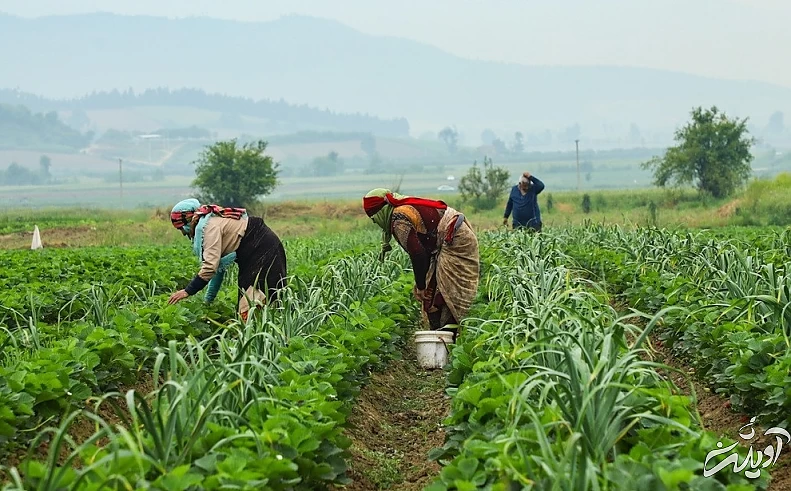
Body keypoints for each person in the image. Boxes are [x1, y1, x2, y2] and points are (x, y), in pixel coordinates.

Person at [363, 188, 479, 339]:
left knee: (447, 292)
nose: (374, 221)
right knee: (432, 296)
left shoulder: (399, 220)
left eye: (373, 217)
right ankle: (441, 340)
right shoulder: (401, 211)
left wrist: (421, 286)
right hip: (443, 243)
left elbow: (418, 255)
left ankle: (449, 338)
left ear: (381, 212)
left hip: (456, 241)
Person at [166, 198, 287, 319]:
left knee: (252, 303)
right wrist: (208, 301)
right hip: (254, 250)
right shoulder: (209, 222)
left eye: (181, 228)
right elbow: (217, 269)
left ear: (188, 220)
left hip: (262, 249)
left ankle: (266, 332)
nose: (183, 233)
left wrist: (187, 291)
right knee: (254, 301)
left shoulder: (209, 228)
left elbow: (210, 268)